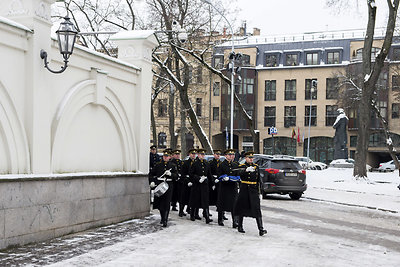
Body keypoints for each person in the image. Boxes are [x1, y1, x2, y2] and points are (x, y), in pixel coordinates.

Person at [234, 151, 267, 236]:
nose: (251, 159)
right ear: (246, 158)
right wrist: (246, 170)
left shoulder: (256, 166)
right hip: (244, 189)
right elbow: (237, 173)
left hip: (253, 190)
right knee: (242, 208)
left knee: (257, 209)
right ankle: (240, 226)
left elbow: (259, 179)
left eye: (252, 158)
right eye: (249, 158)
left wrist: (260, 191)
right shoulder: (242, 166)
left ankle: (261, 229)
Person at [149, 150, 178, 227]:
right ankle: (162, 218)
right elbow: (151, 174)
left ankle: (165, 219)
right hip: (159, 184)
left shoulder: (173, 165)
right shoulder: (158, 165)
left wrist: (171, 174)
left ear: (169, 157)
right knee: (160, 203)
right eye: (164, 156)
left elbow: (176, 176)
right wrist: (151, 182)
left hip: (169, 185)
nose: (165, 158)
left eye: (167, 156)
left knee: (167, 202)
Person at [216, 149, 239, 227]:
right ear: (225, 156)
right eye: (229, 155)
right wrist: (223, 177)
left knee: (234, 204)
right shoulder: (222, 165)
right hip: (224, 187)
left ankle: (235, 221)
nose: (231, 156)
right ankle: (220, 219)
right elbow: (218, 175)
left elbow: (238, 176)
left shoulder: (235, 165)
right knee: (222, 203)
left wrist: (233, 178)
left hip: (233, 187)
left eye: (232, 155)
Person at [188, 149, 213, 223]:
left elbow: (209, 174)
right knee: (195, 200)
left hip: (204, 185)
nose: (202, 156)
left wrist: (213, 183)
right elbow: (191, 174)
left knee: (205, 201)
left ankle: (207, 216)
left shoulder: (206, 163)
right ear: (198, 155)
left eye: (203, 154)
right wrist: (198, 178)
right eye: (201, 154)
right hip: (197, 184)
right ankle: (192, 215)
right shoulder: (195, 164)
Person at [179, 148, 197, 217]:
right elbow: (183, 174)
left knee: (192, 197)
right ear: (189, 154)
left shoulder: (196, 162)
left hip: (194, 182)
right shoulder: (185, 163)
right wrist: (187, 180)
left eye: (194, 154)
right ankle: (181, 210)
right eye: (192, 154)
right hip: (186, 182)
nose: (193, 155)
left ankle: (189, 209)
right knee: (184, 197)